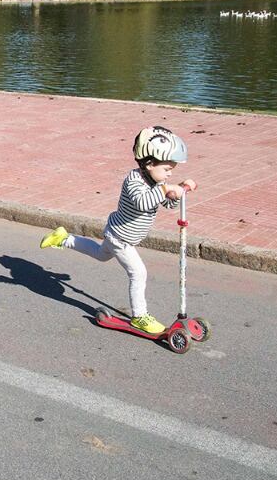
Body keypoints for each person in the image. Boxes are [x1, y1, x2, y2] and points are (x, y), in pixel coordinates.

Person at [39, 125, 197, 334]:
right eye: (167, 170)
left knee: (100, 254)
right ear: (149, 164)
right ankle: (139, 316)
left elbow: (167, 203)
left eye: (171, 171)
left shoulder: (158, 182)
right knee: (138, 273)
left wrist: (178, 192)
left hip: (122, 236)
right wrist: (166, 189)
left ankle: (64, 238)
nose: (169, 174)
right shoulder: (134, 181)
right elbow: (143, 202)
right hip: (120, 237)